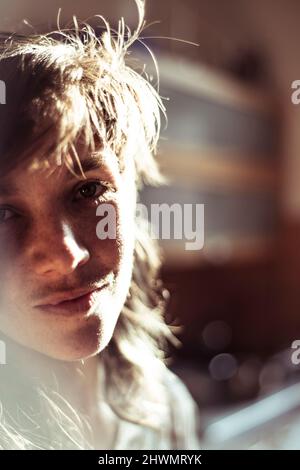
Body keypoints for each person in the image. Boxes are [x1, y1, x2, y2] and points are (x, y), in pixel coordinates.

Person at [0, 0, 200, 450]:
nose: (65, 254)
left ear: (132, 190)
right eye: (3, 214)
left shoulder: (163, 407)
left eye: (88, 191)